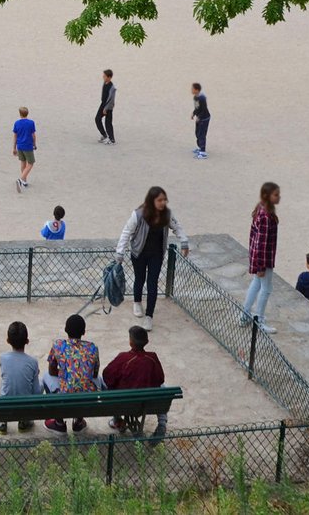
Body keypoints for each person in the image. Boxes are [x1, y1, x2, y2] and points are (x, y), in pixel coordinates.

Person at [116, 186, 189, 330]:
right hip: (139, 253)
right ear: (152, 200)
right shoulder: (138, 215)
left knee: (152, 283)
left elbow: (177, 227)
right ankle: (137, 302)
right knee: (140, 278)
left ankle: (149, 316)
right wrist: (120, 252)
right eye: (159, 200)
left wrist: (184, 242)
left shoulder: (167, 215)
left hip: (156, 254)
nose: (162, 203)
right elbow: (126, 232)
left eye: (164, 200)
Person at [102, 326, 169, 437]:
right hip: (146, 403)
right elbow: (160, 378)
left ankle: (117, 419)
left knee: (107, 385)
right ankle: (162, 423)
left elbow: (107, 376)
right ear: (147, 342)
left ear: (130, 342)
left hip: (123, 403)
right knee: (162, 387)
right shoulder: (152, 358)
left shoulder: (123, 358)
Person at [46, 314, 100, 433]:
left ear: (65, 330)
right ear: (84, 332)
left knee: (46, 376)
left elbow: (51, 370)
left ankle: (59, 422)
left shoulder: (58, 345)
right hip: (87, 397)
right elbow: (95, 374)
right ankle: (79, 421)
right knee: (93, 380)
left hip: (64, 395)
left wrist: (64, 373)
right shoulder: (92, 348)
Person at [240, 182, 281, 333]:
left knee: (256, 284)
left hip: (260, 257)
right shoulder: (266, 216)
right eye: (276, 194)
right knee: (266, 288)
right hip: (264, 258)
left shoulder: (261, 210)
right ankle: (260, 319)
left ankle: (245, 314)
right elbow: (261, 243)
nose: (279, 197)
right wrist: (261, 266)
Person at [0, 321, 42, 433]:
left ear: (8, 341)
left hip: (6, 404)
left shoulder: (3, 358)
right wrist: (36, 374)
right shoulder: (33, 362)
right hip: (24, 406)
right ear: (27, 341)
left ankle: (2, 421)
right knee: (40, 382)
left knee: (4, 382)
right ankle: (24, 421)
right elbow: (36, 391)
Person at [13, 108, 36, 192]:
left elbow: (15, 136)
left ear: (20, 114)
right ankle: (21, 179)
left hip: (20, 146)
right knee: (30, 163)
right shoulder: (31, 123)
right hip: (28, 146)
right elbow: (33, 135)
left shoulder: (16, 123)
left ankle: (24, 182)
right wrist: (34, 144)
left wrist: (14, 148)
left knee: (23, 162)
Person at [96, 69, 117, 144]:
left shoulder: (112, 87)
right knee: (97, 119)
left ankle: (112, 139)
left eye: (104, 76)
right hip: (103, 104)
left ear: (109, 77)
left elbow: (111, 100)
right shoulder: (104, 82)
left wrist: (106, 108)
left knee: (108, 123)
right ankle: (104, 135)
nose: (103, 77)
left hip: (108, 106)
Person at [190, 82, 210, 158]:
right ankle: (200, 148)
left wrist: (199, 117)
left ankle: (203, 152)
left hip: (204, 118)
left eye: (192, 89)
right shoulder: (195, 97)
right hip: (199, 118)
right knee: (197, 133)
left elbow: (204, 109)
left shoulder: (202, 98)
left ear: (197, 90)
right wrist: (194, 113)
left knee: (202, 134)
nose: (191, 90)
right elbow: (197, 108)